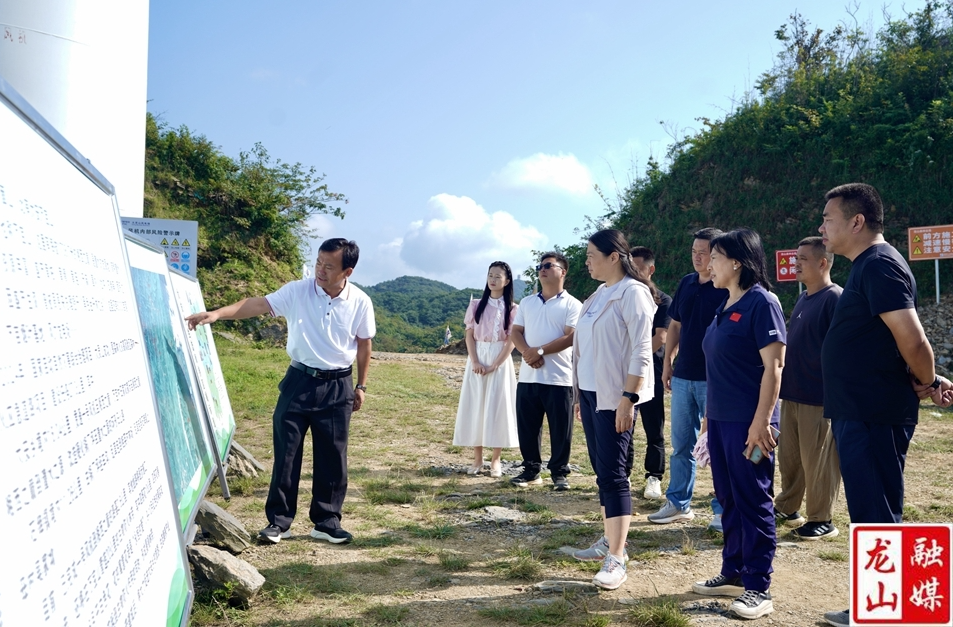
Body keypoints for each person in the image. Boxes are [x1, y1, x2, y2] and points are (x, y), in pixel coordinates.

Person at [816, 184, 953, 627]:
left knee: (876, 510)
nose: (822, 227)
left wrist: (928, 380)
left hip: (873, 412)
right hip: (862, 409)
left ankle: (884, 612)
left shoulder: (879, 266)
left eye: (828, 218)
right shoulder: (868, 266)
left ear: (857, 222)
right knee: (870, 509)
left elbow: (913, 339)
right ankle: (880, 606)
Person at [185, 238, 375, 545]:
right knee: (286, 453)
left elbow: (364, 344)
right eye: (318, 263)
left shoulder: (360, 302)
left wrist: (361, 385)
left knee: (333, 455)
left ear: (347, 271)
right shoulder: (298, 291)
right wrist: (217, 314)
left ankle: (327, 521)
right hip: (299, 381)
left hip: (339, 385)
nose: (320, 271)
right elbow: (257, 303)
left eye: (329, 266)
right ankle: (279, 522)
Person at [690, 228, 785, 620]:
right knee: (728, 499)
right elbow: (719, 371)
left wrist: (761, 421)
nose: (708, 264)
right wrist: (707, 426)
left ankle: (759, 585)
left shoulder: (762, 304)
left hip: (752, 424)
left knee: (754, 499)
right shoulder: (725, 304)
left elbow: (775, 367)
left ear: (737, 262)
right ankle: (734, 571)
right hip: (722, 421)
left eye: (715, 257)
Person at [570, 229, 656, 590]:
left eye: (592, 255)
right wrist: (578, 396)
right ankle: (609, 539)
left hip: (615, 397)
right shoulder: (599, 294)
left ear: (614, 257)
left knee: (615, 474)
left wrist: (628, 397)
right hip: (591, 395)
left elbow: (641, 350)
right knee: (602, 471)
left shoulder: (633, 294)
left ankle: (617, 557)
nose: (587, 261)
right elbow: (583, 349)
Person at [650, 228, 727, 531]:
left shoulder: (726, 286)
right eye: (694, 251)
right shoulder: (686, 283)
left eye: (704, 252)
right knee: (681, 444)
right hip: (684, 376)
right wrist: (668, 363)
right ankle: (678, 503)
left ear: (718, 254)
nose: (697, 256)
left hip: (715, 379)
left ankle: (722, 509)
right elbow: (676, 325)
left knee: (718, 445)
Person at [773, 236, 842, 540]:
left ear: (823, 263)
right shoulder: (804, 298)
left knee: (818, 460)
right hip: (793, 392)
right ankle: (788, 506)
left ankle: (822, 518)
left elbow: (841, 349)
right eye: (795, 257)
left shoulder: (834, 298)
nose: (795, 263)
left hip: (819, 396)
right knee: (791, 458)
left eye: (802, 259)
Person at [509, 252, 582, 490]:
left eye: (549, 266)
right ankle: (531, 470)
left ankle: (559, 472)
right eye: (540, 266)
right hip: (529, 376)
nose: (543, 269)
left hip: (559, 377)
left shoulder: (573, 304)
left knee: (561, 428)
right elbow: (516, 332)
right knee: (528, 426)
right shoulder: (528, 302)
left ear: (563, 272)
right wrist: (527, 353)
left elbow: (570, 337)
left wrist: (538, 352)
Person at [452, 261, 519, 477]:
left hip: (500, 359)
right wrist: (475, 361)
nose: (493, 279)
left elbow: (512, 340)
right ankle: (477, 458)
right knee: (477, 405)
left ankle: (496, 459)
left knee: (498, 406)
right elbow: (469, 334)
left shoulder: (513, 309)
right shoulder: (476, 305)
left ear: (507, 281)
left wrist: (496, 364)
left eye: (498, 276)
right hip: (478, 356)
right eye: (490, 275)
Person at [624, 246, 671, 500]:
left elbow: (660, 337)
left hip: (649, 371)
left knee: (654, 426)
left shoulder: (662, 300)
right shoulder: (624, 295)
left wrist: (635, 360)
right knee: (625, 424)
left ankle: (654, 477)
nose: (632, 273)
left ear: (650, 270)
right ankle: (625, 473)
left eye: (638, 268)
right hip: (624, 371)